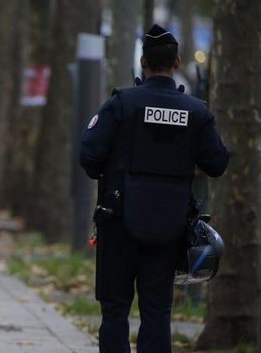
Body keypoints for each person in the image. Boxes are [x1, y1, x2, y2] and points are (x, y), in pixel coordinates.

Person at [79, 24, 228, 353]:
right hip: (169, 227)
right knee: (158, 311)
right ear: (176, 63)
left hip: (118, 223)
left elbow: (89, 157)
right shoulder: (196, 112)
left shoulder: (121, 104)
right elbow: (217, 163)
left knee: (115, 310)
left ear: (143, 62)